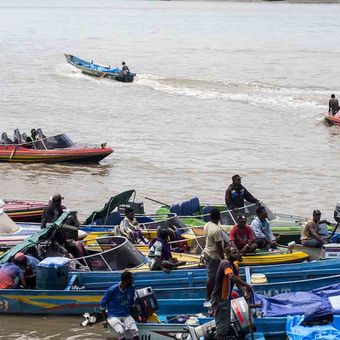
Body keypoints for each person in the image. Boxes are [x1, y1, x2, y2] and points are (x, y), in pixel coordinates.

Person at [211, 247, 252, 340]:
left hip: (226, 298)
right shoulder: (225, 263)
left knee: (226, 324)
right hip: (220, 299)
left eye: (237, 253)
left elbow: (237, 281)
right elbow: (231, 277)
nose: (237, 255)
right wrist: (247, 285)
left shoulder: (233, 265)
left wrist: (245, 292)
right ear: (228, 254)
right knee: (221, 326)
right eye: (234, 253)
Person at [100, 271, 139, 340]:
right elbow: (102, 305)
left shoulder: (131, 289)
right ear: (127, 280)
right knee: (121, 332)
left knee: (135, 331)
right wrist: (105, 320)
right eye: (132, 280)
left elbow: (132, 304)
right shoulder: (112, 290)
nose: (133, 282)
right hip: (113, 316)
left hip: (126, 315)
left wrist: (135, 315)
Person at [203, 208, 225, 307]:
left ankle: (214, 295)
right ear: (219, 217)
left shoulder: (207, 225)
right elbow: (219, 247)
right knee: (212, 278)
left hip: (207, 253)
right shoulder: (216, 230)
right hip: (214, 257)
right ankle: (207, 299)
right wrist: (223, 260)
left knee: (214, 277)